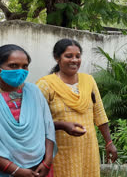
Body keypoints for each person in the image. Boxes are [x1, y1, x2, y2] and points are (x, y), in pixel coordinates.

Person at [36, 39, 117, 177]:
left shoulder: (88, 81)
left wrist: (109, 142)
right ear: (57, 58)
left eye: (78, 56)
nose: (74, 60)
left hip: (88, 147)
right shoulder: (45, 85)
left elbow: (99, 113)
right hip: (60, 149)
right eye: (68, 56)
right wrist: (62, 125)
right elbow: (36, 121)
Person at [0, 44, 56, 177]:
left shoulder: (34, 91)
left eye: (24, 66)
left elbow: (48, 128)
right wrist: (15, 170)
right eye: (13, 65)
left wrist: (47, 161)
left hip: (40, 167)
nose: (20, 71)